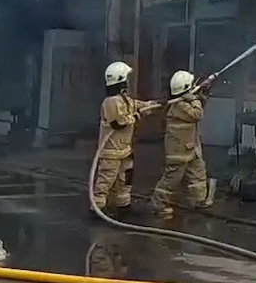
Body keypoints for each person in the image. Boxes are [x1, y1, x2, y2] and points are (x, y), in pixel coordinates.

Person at [92, 61, 158, 218]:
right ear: (120, 80)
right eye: (126, 79)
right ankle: (97, 208)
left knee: (125, 179)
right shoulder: (111, 102)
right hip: (111, 151)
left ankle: (123, 205)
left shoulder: (124, 99)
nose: (128, 82)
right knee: (106, 180)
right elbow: (118, 122)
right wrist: (135, 116)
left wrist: (153, 105)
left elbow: (137, 105)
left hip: (124, 150)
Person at [151, 70, 217, 219]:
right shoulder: (179, 106)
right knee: (172, 179)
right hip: (179, 151)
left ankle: (198, 200)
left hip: (191, 148)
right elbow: (196, 114)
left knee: (198, 175)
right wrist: (194, 98)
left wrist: (203, 93)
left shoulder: (185, 102)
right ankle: (159, 204)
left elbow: (199, 105)